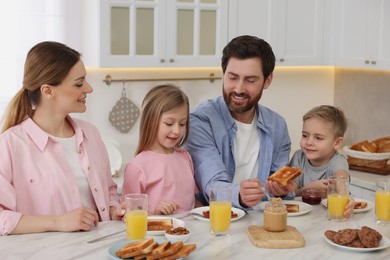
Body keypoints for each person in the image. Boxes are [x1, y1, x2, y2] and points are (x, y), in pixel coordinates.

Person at [0, 41, 124, 236]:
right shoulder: (10, 144)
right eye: (79, 83)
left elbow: (108, 191)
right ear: (48, 91)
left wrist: (114, 210)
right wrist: (57, 222)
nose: (89, 88)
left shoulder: (91, 134)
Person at [186, 35, 294, 209]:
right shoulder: (200, 121)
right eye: (232, 77)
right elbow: (212, 184)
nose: (238, 89)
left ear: (267, 81)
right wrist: (239, 195)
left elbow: (277, 182)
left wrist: (282, 189)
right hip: (213, 220)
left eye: (250, 80)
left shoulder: (277, 125)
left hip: (261, 221)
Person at [121, 84, 197, 215]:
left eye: (182, 123)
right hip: (155, 234)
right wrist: (155, 214)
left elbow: (193, 201)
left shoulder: (185, 157)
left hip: (187, 233)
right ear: (151, 121)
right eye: (169, 123)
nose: (177, 130)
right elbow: (128, 215)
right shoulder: (137, 166)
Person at [289, 105, 354, 217]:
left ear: (337, 143)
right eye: (305, 135)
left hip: (327, 219)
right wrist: (309, 189)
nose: (309, 142)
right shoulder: (299, 157)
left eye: (318, 138)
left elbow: (341, 178)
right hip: (300, 218)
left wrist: (344, 194)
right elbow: (291, 193)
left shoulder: (338, 161)